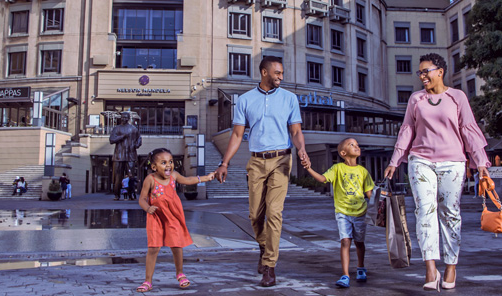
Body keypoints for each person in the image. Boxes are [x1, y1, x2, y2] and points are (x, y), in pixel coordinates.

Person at [384, 53, 490, 291]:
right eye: (419, 73)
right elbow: (407, 129)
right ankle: (430, 267)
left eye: (426, 71)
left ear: (440, 71)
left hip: (452, 162)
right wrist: (395, 159)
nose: (422, 76)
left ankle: (451, 265)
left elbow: (469, 130)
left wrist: (481, 162)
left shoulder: (457, 97)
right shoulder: (416, 99)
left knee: (450, 213)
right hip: (420, 160)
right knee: (424, 212)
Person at [214, 56, 310, 287]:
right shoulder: (246, 100)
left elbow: (295, 131)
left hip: (281, 160)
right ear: (264, 72)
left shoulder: (289, 98)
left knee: (274, 213)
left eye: (282, 73)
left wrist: (302, 149)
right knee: (255, 215)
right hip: (256, 162)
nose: (281, 77)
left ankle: (269, 266)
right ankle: (263, 246)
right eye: (277, 73)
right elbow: (237, 135)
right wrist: (224, 163)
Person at [135, 148, 215, 292]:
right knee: (153, 248)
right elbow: (142, 198)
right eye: (163, 162)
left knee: (176, 245)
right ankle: (148, 281)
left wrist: (206, 178)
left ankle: (180, 274)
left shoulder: (174, 176)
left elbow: (188, 180)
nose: (168, 165)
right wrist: (147, 208)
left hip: (172, 216)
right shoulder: (150, 179)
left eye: (171, 162)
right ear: (154, 167)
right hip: (156, 217)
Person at [303, 138, 374, 288]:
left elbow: (369, 193)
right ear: (343, 153)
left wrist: (383, 203)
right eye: (352, 144)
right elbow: (323, 179)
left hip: (360, 212)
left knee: (359, 242)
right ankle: (345, 275)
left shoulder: (363, 171)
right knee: (345, 241)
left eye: (357, 144)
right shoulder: (337, 169)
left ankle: (361, 267)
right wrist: (309, 168)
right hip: (342, 212)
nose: (356, 146)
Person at [110, 111, 142, 200]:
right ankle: (116, 194)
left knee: (131, 176)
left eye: (125, 117)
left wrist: (137, 144)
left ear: (128, 118)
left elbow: (139, 138)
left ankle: (131, 194)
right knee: (117, 176)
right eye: (122, 117)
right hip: (119, 155)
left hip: (130, 155)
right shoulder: (117, 128)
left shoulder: (133, 129)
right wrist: (122, 136)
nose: (124, 119)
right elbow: (112, 140)